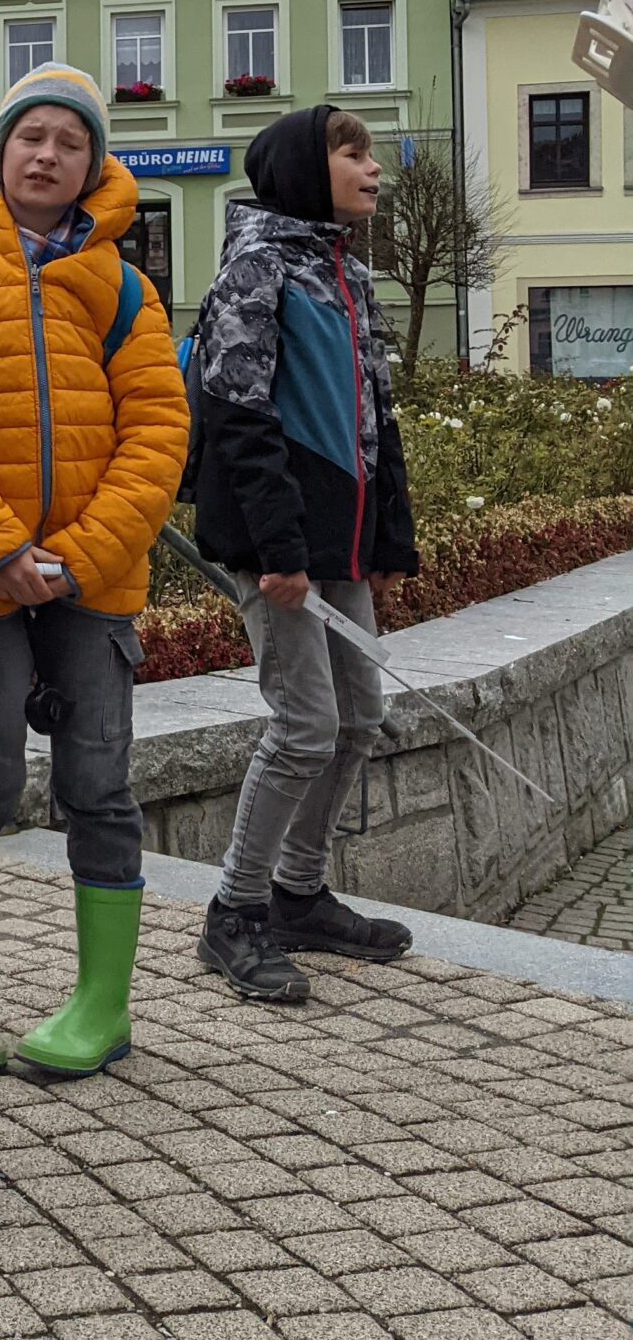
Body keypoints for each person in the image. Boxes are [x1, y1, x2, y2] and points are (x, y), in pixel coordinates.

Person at [0, 64, 190, 1079]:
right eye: (30, 135)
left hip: (91, 584)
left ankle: (101, 1005)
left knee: (98, 786)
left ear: (93, 163)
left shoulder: (123, 285)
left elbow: (159, 432)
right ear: (0, 152)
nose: (47, 155)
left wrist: (73, 560)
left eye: (70, 142)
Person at [192, 106, 419, 1002]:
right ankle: (235, 912)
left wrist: (388, 544)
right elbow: (239, 419)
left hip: (340, 548)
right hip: (277, 547)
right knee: (304, 727)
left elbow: (378, 421)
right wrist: (279, 551)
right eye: (352, 151)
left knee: (359, 719)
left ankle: (298, 893)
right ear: (300, 167)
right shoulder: (256, 269)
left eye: (370, 153)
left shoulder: (348, 275)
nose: (372, 168)